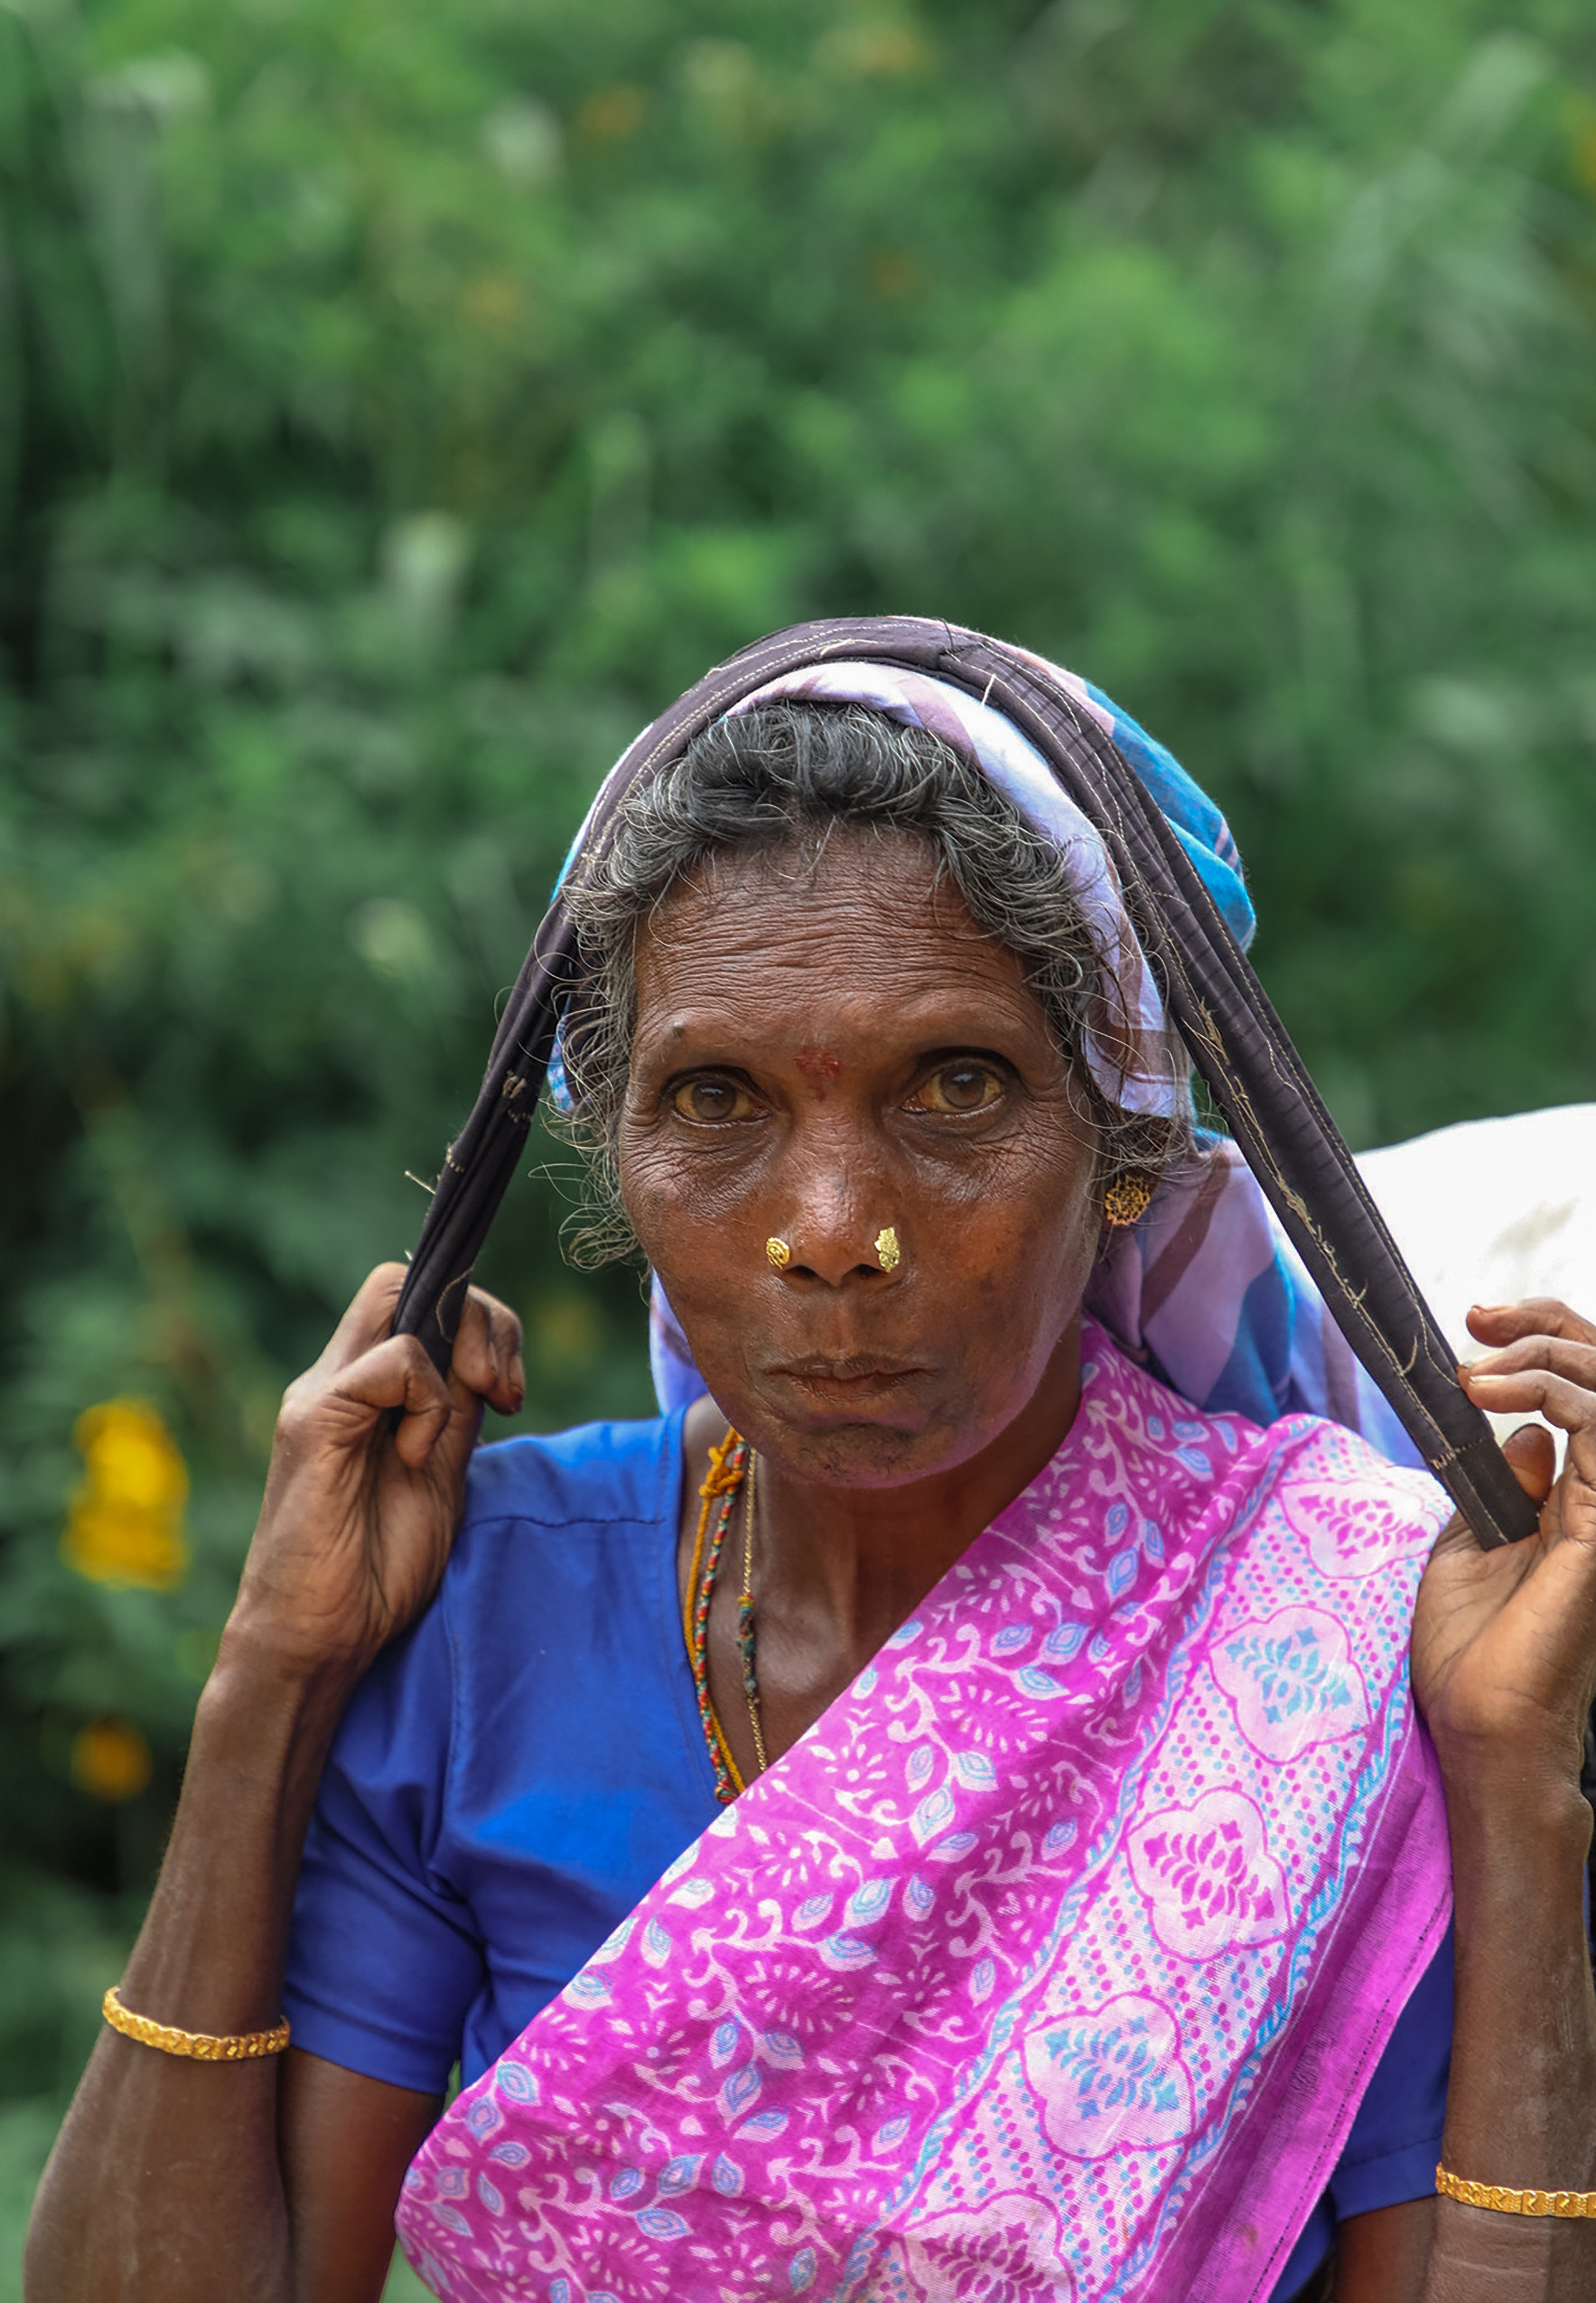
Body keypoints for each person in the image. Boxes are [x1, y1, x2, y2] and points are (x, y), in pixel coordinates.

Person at [24, 620, 1596, 2303]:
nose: (832, 1235)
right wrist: (269, 1681)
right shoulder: (489, 1612)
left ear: (1123, 1150)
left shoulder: (1328, 1661)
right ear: (614, 1155)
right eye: (716, 1102)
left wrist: (1516, 1795)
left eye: (959, 1085)